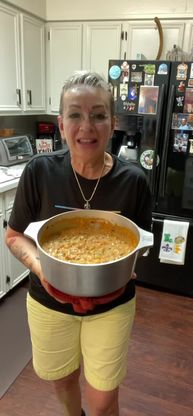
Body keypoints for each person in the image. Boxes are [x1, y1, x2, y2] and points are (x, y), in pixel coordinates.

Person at [5, 71, 152, 416]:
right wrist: (47, 271)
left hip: (112, 306)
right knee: (63, 380)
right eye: (75, 114)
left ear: (113, 123)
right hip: (48, 302)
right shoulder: (40, 171)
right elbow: (14, 236)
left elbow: (140, 246)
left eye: (98, 115)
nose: (87, 126)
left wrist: (126, 271)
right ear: (60, 123)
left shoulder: (133, 181)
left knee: (103, 399)